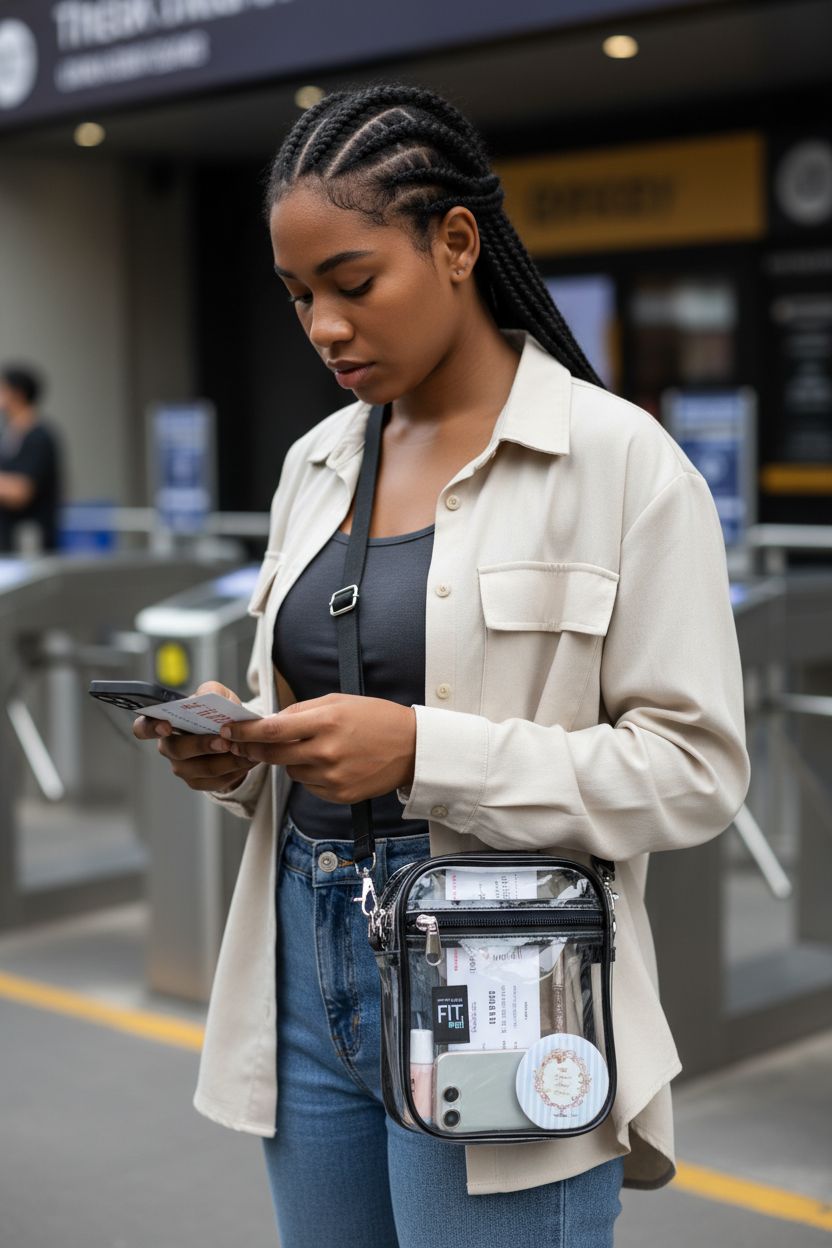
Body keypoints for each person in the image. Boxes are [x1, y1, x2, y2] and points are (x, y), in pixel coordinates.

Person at [134, 84, 750, 1248]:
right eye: (298, 295)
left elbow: (694, 774)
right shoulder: (315, 463)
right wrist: (242, 754)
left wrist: (423, 752)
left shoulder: (621, 465)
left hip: (506, 972)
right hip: (301, 958)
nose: (322, 325)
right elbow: (315, 725)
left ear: (456, 243)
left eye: (353, 284)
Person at [0, 364, 62, 554]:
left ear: (17, 394)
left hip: (31, 546)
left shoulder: (39, 437)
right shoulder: (9, 436)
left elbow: (21, 491)